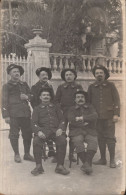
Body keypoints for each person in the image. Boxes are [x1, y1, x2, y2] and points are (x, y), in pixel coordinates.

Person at [31, 88, 70, 176]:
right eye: (44, 95)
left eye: (48, 95)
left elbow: (62, 120)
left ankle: (60, 166)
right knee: (36, 141)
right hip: (43, 132)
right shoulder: (37, 109)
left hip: (55, 131)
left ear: (50, 97)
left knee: (62, 140)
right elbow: (33, 123)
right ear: (40, 97)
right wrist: (38, 132)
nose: (46, 97)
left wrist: (60, 128)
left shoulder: (56, 108)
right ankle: (38, 166)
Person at [88, 65, 120, 168]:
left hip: (109, 117)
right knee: (100, 138)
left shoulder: (111, 85)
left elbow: (117, 101)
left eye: (101, 73)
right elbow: (88, 103)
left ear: (105, 74)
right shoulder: (91, 87)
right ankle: (102, 159)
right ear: (94, 75)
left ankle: (112, 160)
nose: (99, 75)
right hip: (97, 118)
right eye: (97, 73)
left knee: (110, 138)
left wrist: (116, 114)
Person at [2, 64, 34, 163]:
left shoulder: (24, 84)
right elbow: (3, 101)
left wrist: (27, 97)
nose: (16, 73)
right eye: (14, 72)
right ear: (10, 74)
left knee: (28, 134)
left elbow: (32, 96)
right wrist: (6, 115)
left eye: (18, 72)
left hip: (25, 113)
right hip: (14, 114)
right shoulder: (7, 86)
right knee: (14, 135)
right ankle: (16, 154)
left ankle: (27, 154)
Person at [55, 68, 83, 162]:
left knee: (73, 133)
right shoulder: (61, 87)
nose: (68, 76)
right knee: (61, 133)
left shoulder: (78, 86)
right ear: (64, 77)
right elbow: (56, 100)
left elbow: (82, 99)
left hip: (75, 113)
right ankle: (58, 154)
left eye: (70, 74)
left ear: (74, 76)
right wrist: (59, 110)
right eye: (66, 75)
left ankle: (71, 154)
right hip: (63, 113)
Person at [67, 90, 98, 175]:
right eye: (78, 97)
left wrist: (81, 118)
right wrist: (86, 121)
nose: (80, 99)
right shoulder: (71, 109)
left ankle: (86, 164)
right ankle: (87, 164)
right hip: (76, 131)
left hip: (90, 130)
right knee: (78, 141)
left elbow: (95, 116)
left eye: (82, 97)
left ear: (85, 98)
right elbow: (71, 120)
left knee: (93, 142)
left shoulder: (90, 107)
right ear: (75, 99)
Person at [31, 67, 55, 160]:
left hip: (50, 110)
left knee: (51, 126)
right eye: (42, 75)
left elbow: (53, 99)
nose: (45, 76)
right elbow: (33, 102)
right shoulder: (35, 87)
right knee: (42, 128)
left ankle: (51, 149)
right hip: (39, 112)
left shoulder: (50, 86)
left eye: (46, 75)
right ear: (39, 76)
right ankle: (40, 150)